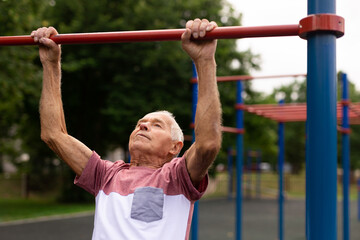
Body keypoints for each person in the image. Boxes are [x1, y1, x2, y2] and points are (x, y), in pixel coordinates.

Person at [32, 18, 222, 240]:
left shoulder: (178, 177)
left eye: (156, 125)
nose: (143, 125)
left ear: (175, 147)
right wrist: (50, 63)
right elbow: (53, 134)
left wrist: (205, 61)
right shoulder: (105, 175)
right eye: (140, 123)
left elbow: (208, 144)